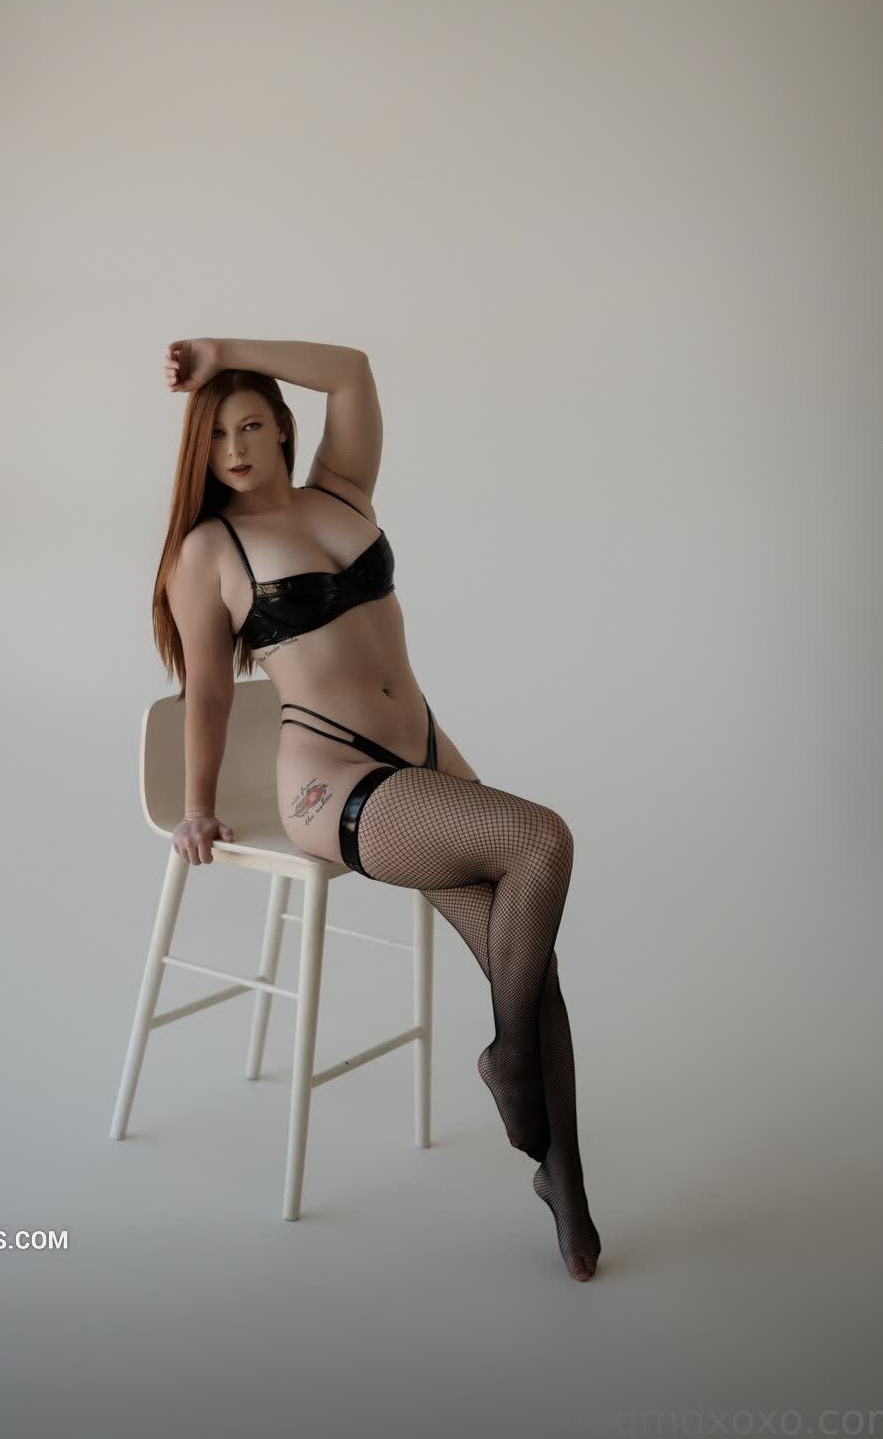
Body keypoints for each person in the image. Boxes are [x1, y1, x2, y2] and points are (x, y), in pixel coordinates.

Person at [152, 336, 601, 1281]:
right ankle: (509, 1064)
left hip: (427, 751)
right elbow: (210, 693)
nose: (234, 449)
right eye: (216, 436)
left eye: (250, 426)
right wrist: (196, 806)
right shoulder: (209, 551)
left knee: (530, 956)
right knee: (540, 840)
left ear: (283, 427)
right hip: (333, 781)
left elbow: (352, 368)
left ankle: (564, 1184)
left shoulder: (342, 494)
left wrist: (223, 350)